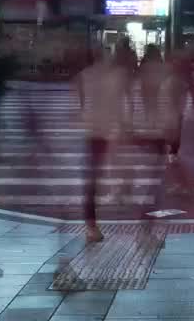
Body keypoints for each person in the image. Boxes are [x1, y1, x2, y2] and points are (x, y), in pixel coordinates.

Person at [77, 47, 129, 243]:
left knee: (92, 180)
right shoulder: (116, 76)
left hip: (95, 131)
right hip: (106, 131)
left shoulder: (85, 75)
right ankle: (93, 225)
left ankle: (91, 226)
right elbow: (120, 103)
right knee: (97, 178)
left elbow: (82, 105)